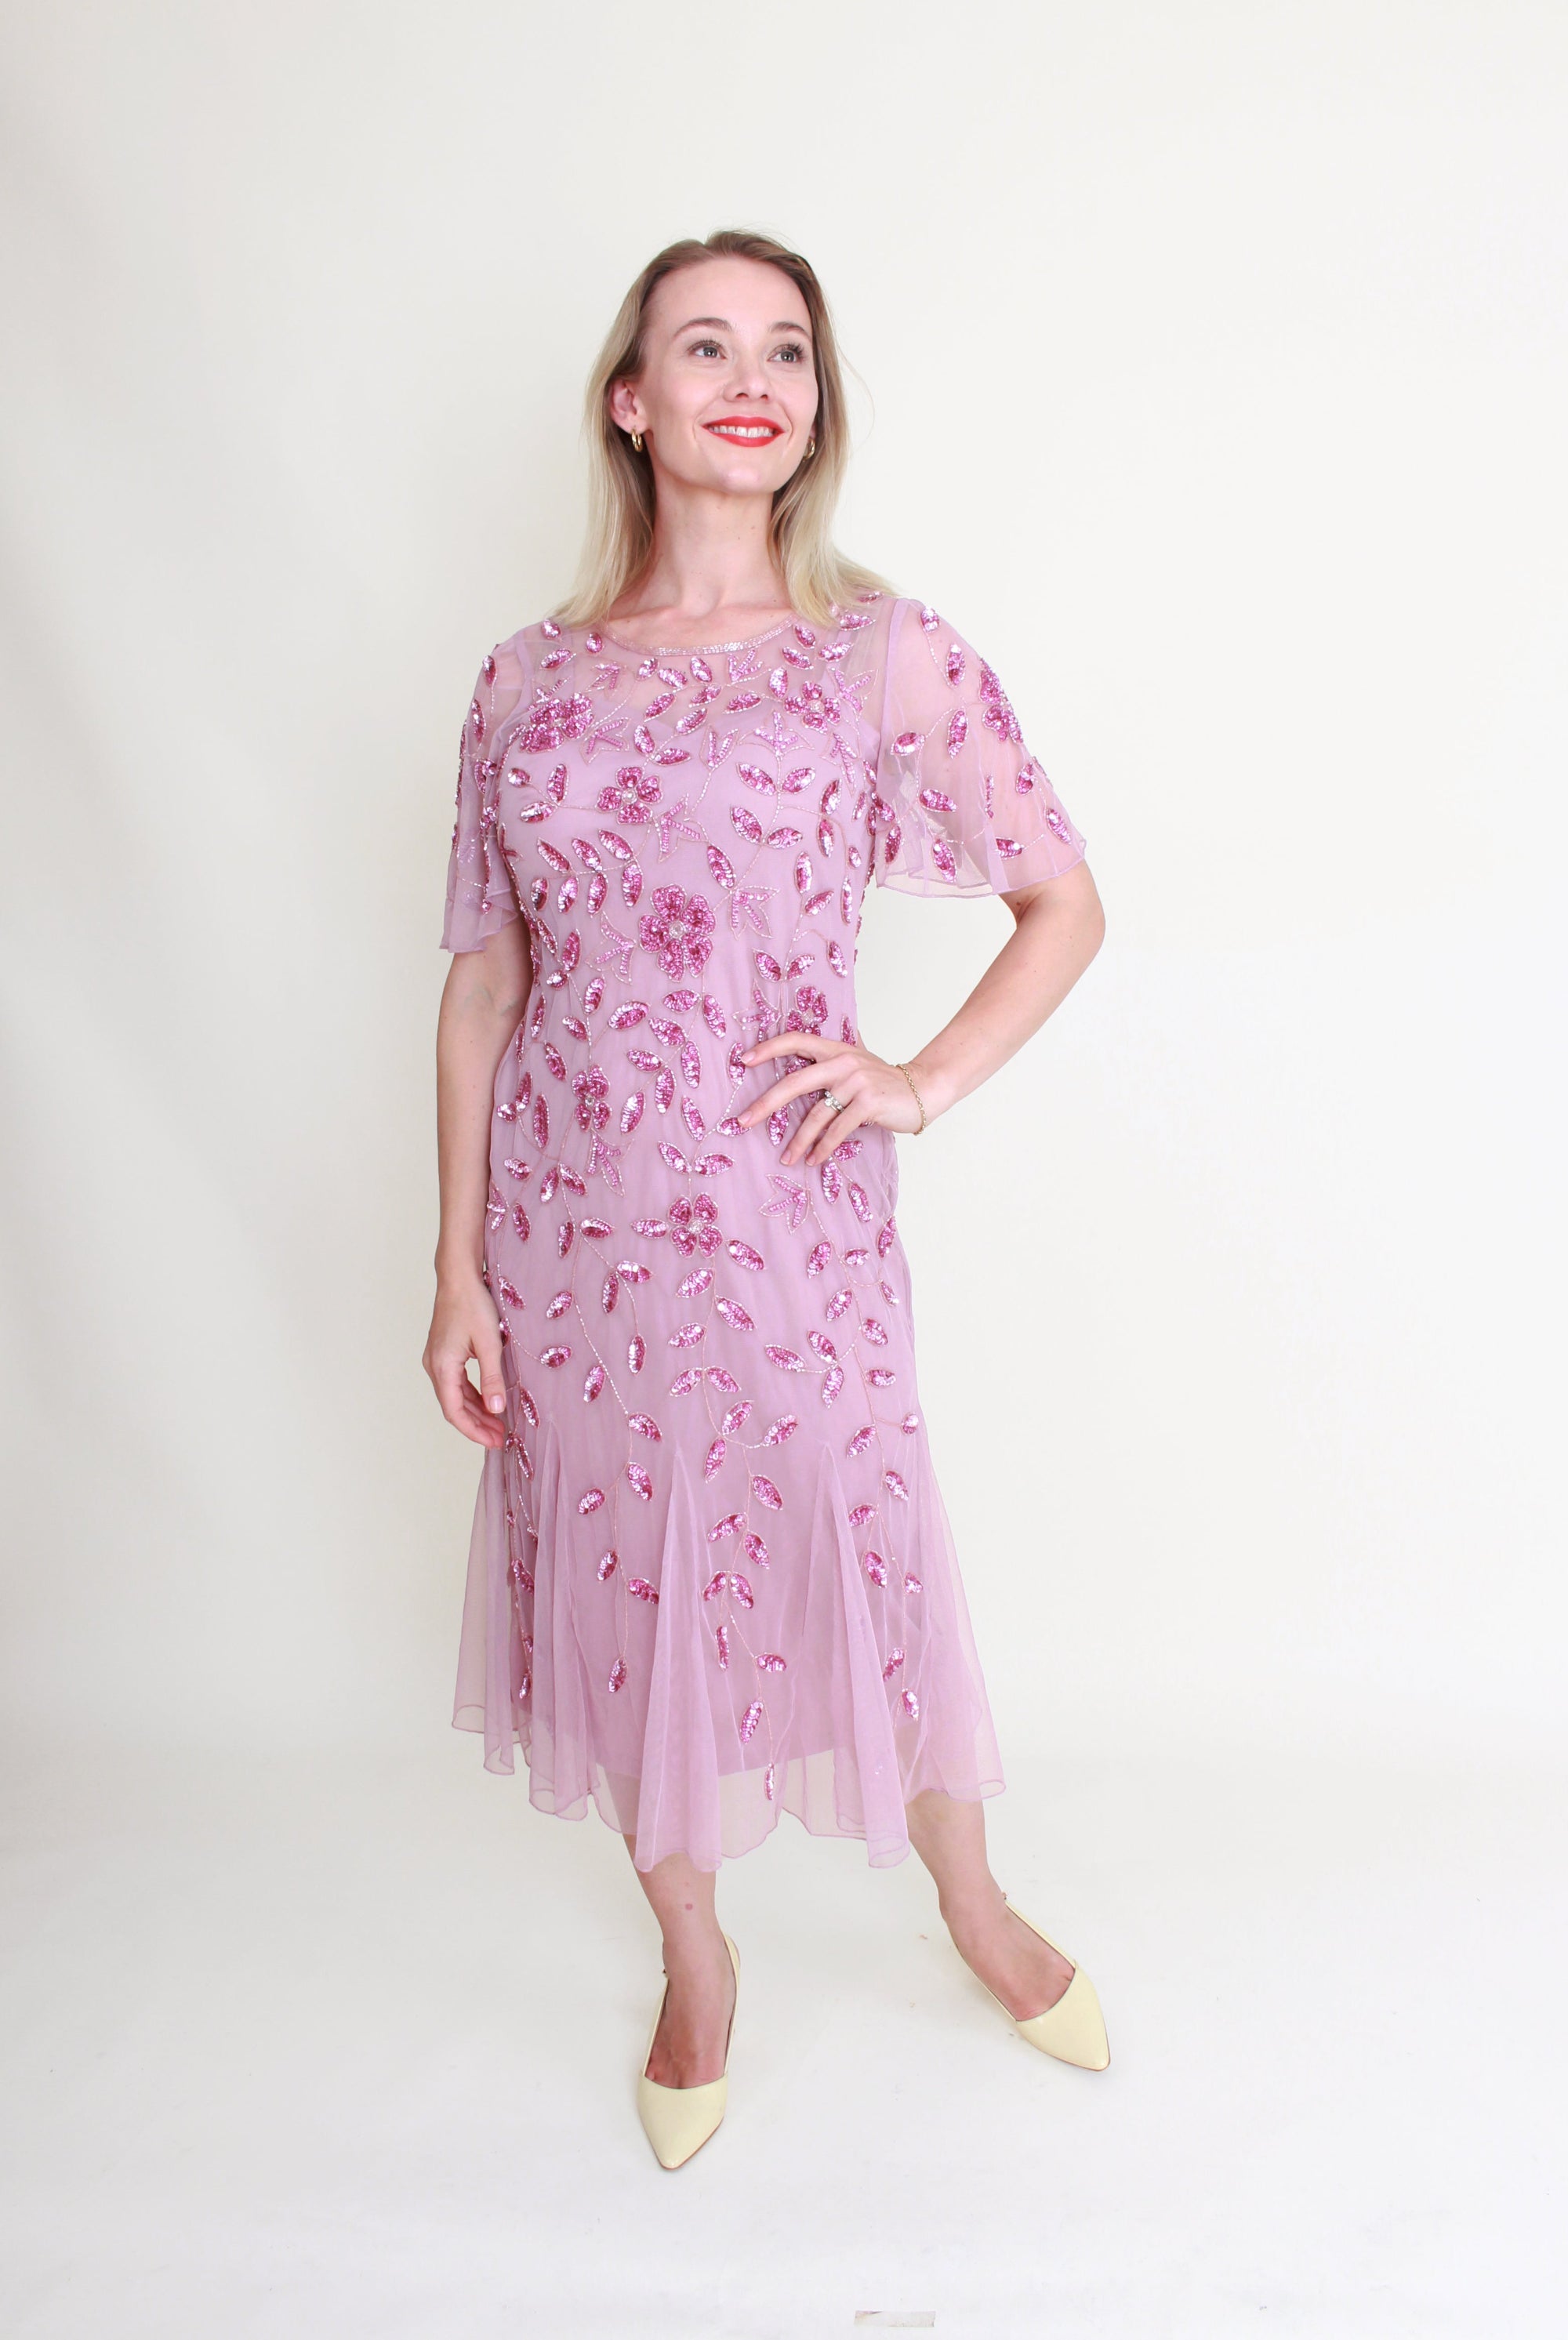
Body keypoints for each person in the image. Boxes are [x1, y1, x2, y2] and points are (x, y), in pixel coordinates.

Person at [423, 229, 1109, 2169]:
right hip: (569, 1235)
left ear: (813, 409)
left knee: (858, 1540)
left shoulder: (874, 653)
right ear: (629, 404)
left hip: (789, 1214)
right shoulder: (524, 681)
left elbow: (1063, 896)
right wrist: (456, 1263)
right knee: (629, 1579)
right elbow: (483, 978)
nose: (753, 379)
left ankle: (971, 1907)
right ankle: (697, 1955)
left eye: (789, 352)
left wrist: (919, 1080)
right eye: (705, 346)